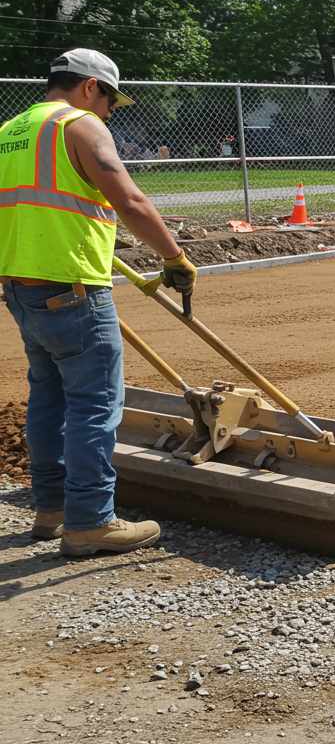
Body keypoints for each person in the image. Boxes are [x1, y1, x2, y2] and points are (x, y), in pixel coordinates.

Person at [0, 49, 196, 556]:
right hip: (73, 289)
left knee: (49, 399)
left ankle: (51, 509)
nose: (109, 111)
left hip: (22, 288)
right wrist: (174, 257)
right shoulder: (80, 125)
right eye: (109, 100)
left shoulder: (10, 131)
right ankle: (90, 521)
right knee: (95, 404)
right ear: (90, 87)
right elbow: (129, 198)